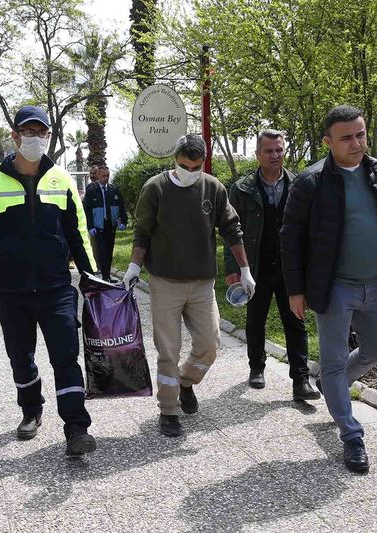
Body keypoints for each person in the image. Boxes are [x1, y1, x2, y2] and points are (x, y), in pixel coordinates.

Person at [0, 105, 98, 456]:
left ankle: (76, 426)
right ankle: (31, 409)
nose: (35, 138)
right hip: (12, 289)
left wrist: (92, 277)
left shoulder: (62, 179)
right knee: (21, 357)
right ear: (15, 136)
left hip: (56, 289)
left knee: (65, 356)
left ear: (48, 136)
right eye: (28, 132)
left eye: (41, 132)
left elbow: (78, 232)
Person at [280, 105, 377, 474]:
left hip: (373, 284)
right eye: (347, 137)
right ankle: (351, 436)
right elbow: (290, 239)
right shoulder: (311, 182)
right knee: (334, 361)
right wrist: (296, 289)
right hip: (334, 286)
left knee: (376, 349)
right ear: (328, 142)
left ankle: (330, 383)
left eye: (361, 134)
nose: (357, 143)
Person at [122, 134, 255, 438]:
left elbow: (232, 229)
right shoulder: (156, 187)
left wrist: (245, 270)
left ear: (203, 163)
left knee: (210, 345)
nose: (189, 171)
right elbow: (142, 231)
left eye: (195, 166)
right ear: (175, 160)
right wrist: (133, 266)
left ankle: (184, 383)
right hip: (165, 281)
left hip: (201, 283)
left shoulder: (213, 187)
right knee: (167, 349)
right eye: (184, 165)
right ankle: (168, 410)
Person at [224, 129, 319, 401]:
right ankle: (257, 367)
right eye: (269, 151)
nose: (275, 155)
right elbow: (230, 230)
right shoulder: (242, 189)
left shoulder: (300, 185)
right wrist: (234, 268)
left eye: (279, 150)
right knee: (256, 320)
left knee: (296, 321)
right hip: (255, 267)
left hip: (291, 268)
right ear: (258, 155)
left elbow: (310, 228)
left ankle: (301, 381)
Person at [83, 165, 127, 281]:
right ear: (98, 176)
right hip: (99, 226)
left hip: (110, 226)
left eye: (107, 175)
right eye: (103, 176)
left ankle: (107, 275)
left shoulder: (114, 190)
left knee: (109, 250)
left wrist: (123, 221)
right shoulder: (92, 191)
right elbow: (87, 210)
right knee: (102, 251)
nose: (106, 178)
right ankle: (105, 276)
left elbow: (121, 206)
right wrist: (90, 226)